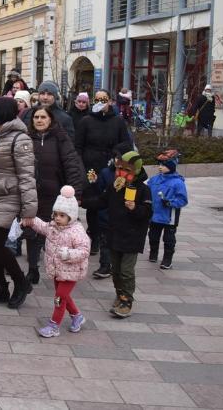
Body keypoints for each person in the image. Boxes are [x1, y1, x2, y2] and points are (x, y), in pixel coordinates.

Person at [0, 97, 38, 309]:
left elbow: (27, 176)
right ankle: (1, 288)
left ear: (2, 112)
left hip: (7, 196)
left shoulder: (19, 139)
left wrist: (29, 210)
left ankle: (21, 283)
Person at [85, 151, 152, 318]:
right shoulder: (114, 187)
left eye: (125, 170)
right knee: (115, 270)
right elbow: (101, 201)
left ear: (135, 170)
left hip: (132, 237)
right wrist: (82, 201)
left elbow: (148, 212)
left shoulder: (143, 190)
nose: (120, 173)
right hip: (113, 233)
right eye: (118, 168)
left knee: (126, 271)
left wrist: (135, 208)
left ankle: (126, 300)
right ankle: (120, 294)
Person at [74, 89, 132, 279]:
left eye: (104, 99)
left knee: (108, 210)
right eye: (97, 99)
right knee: (92, 206)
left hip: (110, 169)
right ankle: (94, 237)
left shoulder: (118, 121)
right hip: (91, 170)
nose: (100, 103)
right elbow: (78, 146)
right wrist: (81, 167)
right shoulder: (86, 121)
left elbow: (126, 144)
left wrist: (116, 153)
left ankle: (106, 261)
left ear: (110, 101)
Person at [25, 106, 86, 285]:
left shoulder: (61, 137)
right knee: (31, 230)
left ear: (50, 119)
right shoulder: (27, 138)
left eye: (43, 117)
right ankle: (32, 269)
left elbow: (71, 164)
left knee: (53, 232)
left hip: (54, 194)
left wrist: (75, 192)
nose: (39, 120)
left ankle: (58, 267)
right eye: (36, 117)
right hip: (33, 193)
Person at [22, 186, 90, 337]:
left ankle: (54, 326)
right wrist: (31, 221)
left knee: (59, 298)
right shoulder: (53, 227)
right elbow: (42, 227)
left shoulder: (76, 231)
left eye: (62, 215)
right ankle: (77, 317)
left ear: (71, 216)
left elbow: (84, 250)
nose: (57, 218)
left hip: (71, 271)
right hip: (57, 270)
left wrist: (68, 254)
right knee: (63, 296)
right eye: (56, 214)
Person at [146, 149, 188, 269]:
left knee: (169, 239)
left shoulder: (178, 183)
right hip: (154, 214)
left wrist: (170, 203)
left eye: (163, 165)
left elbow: (183, 200)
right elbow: (147, 192)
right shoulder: (154, 180)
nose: (160, 167)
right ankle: (153, 254)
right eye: (159, 164)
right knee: (153, 236)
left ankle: (167, 259)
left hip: (170, 216)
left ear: (172, 166)